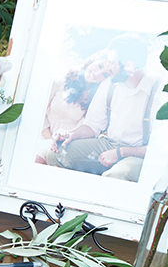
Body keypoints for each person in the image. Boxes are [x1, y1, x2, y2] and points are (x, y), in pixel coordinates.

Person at [40, 39, 160, 180]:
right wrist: (72, 134)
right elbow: (92, 126)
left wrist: (121, 152)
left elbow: (158, 149)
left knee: (116, 175)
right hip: (107, 145)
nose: (108, 68)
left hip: (137, 154)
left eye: (112, 63)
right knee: (56, 154)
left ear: (129, 66)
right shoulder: (110, 83)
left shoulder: (158, 90)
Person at [39, 49, 119, 157]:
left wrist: (60, 140)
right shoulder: (62, 78)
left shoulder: (95, 97)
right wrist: (49, 140)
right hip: (43, 132)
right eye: (99, 66)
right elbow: (39, 109)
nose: (97, 74)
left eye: (104, 75)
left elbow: (86, 127)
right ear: (93, 60)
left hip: (66, 142)